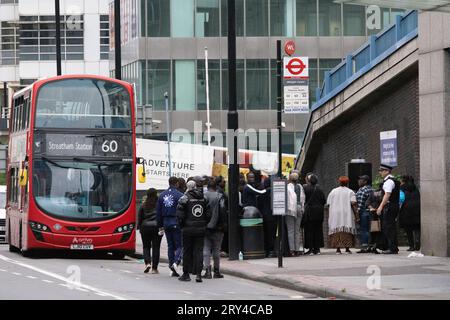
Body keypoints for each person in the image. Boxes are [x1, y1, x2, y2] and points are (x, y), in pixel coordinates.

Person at [177, 176, 211, 282]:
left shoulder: (185, 198)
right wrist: (204, 223)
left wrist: (181, 225)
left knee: (187, 251)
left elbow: (179, 214)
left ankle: (186, 273)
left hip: (187, 228)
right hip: (200, 228)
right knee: (198, 251)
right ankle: (198, 275)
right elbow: (208, 213)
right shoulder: (203, 197)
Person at [156, 177, 184, 277]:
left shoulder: (162, 195)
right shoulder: (180, 195)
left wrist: (160, 226)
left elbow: (158, 213)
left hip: (166, 222)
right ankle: (176, 262)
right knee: (179, 245)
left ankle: (171, 266)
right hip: (176, 221)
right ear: (176, 184)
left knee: (170, 245)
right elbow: (183, 211)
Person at [327, 176, 359, 254]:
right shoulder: (350, 192)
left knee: (337, 229)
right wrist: (357, 215)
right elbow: (353, 204)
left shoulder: (333, 191)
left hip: (335, 213)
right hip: (346, 213)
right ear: (347, 183)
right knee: (346, 229)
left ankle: (338, 249)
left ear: (339, 182)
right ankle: (347, 249)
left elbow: (328, 204)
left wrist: (329, 215)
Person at [203, 179, 227, 279]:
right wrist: (222, 224)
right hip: (218, 227)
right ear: (215, 187)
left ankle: (207, 271)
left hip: (206, 226)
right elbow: (223, 211)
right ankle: (217, 271)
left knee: (206, 249)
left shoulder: (203, 196)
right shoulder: (220, 196)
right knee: (217, 250)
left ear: (207, 187)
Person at [376, 164, 401, 254]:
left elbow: (387, 195)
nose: (380, 172)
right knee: (389, 226)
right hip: (393, 205)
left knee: (389, 227)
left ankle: (392, 248)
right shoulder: (392, 180)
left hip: (390, 206)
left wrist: (380, 207)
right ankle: (389, 247)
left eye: (381, 171)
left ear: (387, 171)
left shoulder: (389, 182)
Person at [137, 188, 162, 274]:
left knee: (146, 247)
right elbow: (161, 216)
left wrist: (139, 227)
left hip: (145, 227)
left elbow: (139, 217)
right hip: (156, 227)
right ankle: (154, 268)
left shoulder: (143, 205)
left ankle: (147, 263)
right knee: (156, 247)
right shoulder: (159, 205)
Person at [302, 173, 326, 255]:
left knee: (309, 230)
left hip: (309, 212)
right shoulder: (320, 189)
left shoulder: (305, 188)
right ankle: (317, 249)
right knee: (318, 230)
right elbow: (324, 201)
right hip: (319, 213)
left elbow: (303, 200)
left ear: (309, 180)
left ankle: (310, 249)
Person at [399, 175, 421, 251]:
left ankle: (411, 246)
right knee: (417, 228)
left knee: (408, 230)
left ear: (403, 181)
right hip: (417, 211)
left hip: (406, 211)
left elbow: (400, 199)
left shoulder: (402, 188)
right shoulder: (415, 188)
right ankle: (417, 245)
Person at [257, 177, 277, 258]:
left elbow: (259, 204)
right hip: (273, 215)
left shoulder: (263, 192)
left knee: (266, 234)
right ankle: (272, 250)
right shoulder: (274, 191)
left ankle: (267, 250)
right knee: (272, 234)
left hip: (264, 216)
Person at [286, 172, 304, 256]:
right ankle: (297, 249)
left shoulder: (288, 186)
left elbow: (288, 198)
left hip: (290, 209)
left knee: (291, 230)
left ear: (290, 178)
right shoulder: (300, 187)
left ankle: (291, 250)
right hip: (299, 207)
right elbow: (303, 198)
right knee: (297, 230)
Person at [355, 175, 373, 253]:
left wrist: (357, 214)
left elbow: (361, 203)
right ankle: (370, 246)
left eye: (361, 180)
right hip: (371, 212)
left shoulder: (363, 190)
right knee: (370, 229)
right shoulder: (372, 189)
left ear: (365, 181)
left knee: (364, 229)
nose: (359, 181)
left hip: (363, 212)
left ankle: (365, 247)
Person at [216, 176, 229, 257]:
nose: (224, 183)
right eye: (223, 182)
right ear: (219, 182)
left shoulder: (219, 191)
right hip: (222, 217)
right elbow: (222, 206)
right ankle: (222, 250)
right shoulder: (220, 192)